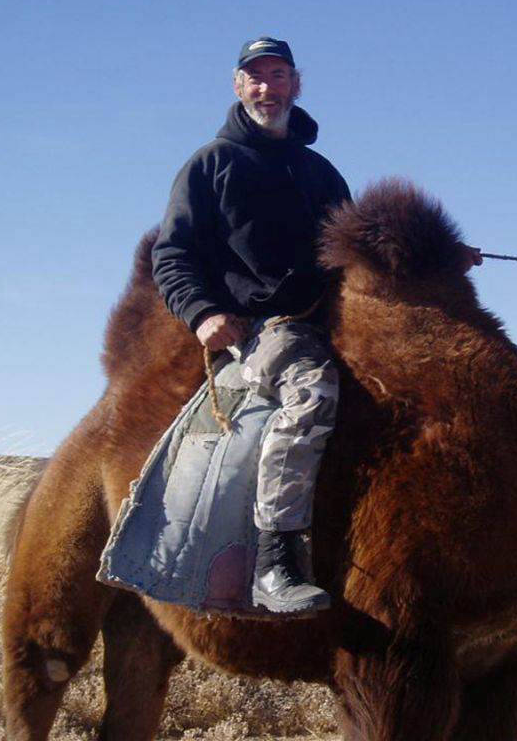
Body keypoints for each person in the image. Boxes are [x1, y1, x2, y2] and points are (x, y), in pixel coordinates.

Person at [151, 37, 351, 616]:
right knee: (313, 390)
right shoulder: (210, 164)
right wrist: (202, 313)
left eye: (278, 75)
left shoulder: (320, 172)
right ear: (239, 86)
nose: (268, 87)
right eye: (256, 77)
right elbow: (172, 253)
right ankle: (275, 560)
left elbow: (356, 244)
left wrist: (434, 255)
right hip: (264, 327)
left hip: (333, 317)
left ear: (296, 85)